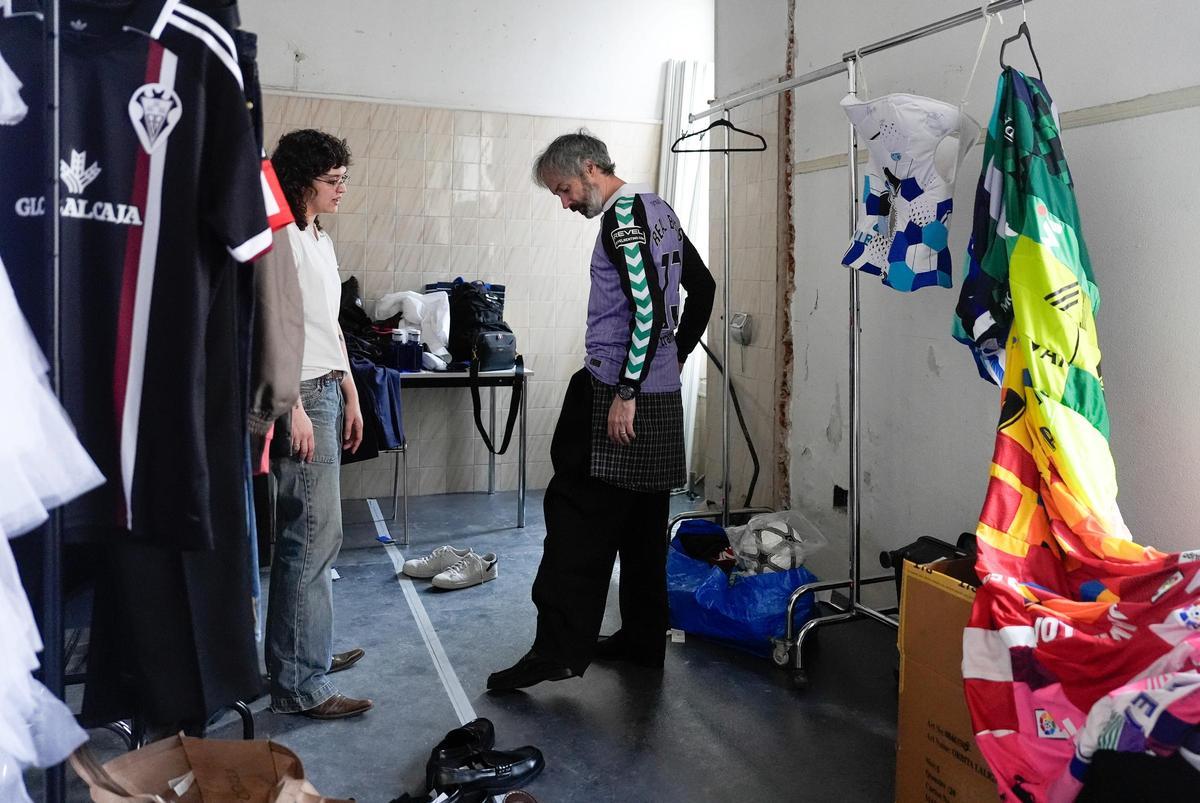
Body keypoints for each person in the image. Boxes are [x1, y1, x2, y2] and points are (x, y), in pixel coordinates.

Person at [488, 130, 715, 691]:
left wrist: (627, 391)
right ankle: (642, 639)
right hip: (660, 394)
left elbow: (647, 309)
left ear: (591, 169)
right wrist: (674, 357)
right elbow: (703, 287)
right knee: (643, 524)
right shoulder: (659, 209)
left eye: (564, 190)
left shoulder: (623, 219)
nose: (565, 203)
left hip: (618, 391)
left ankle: (557, 651)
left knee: (574, 521)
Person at [266, 129, 371, 719]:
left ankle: (309, 653)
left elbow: (329, 326)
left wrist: (351, 392)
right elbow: (273, 327)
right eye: (332, 180)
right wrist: (294, 406)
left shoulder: (318, 238)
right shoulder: (281, 235)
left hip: (327, 387)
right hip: (300, 393)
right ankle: (298, 684)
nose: (341, 190)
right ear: (301, 180)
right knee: (308, 536)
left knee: (321, 536)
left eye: (344, 179)